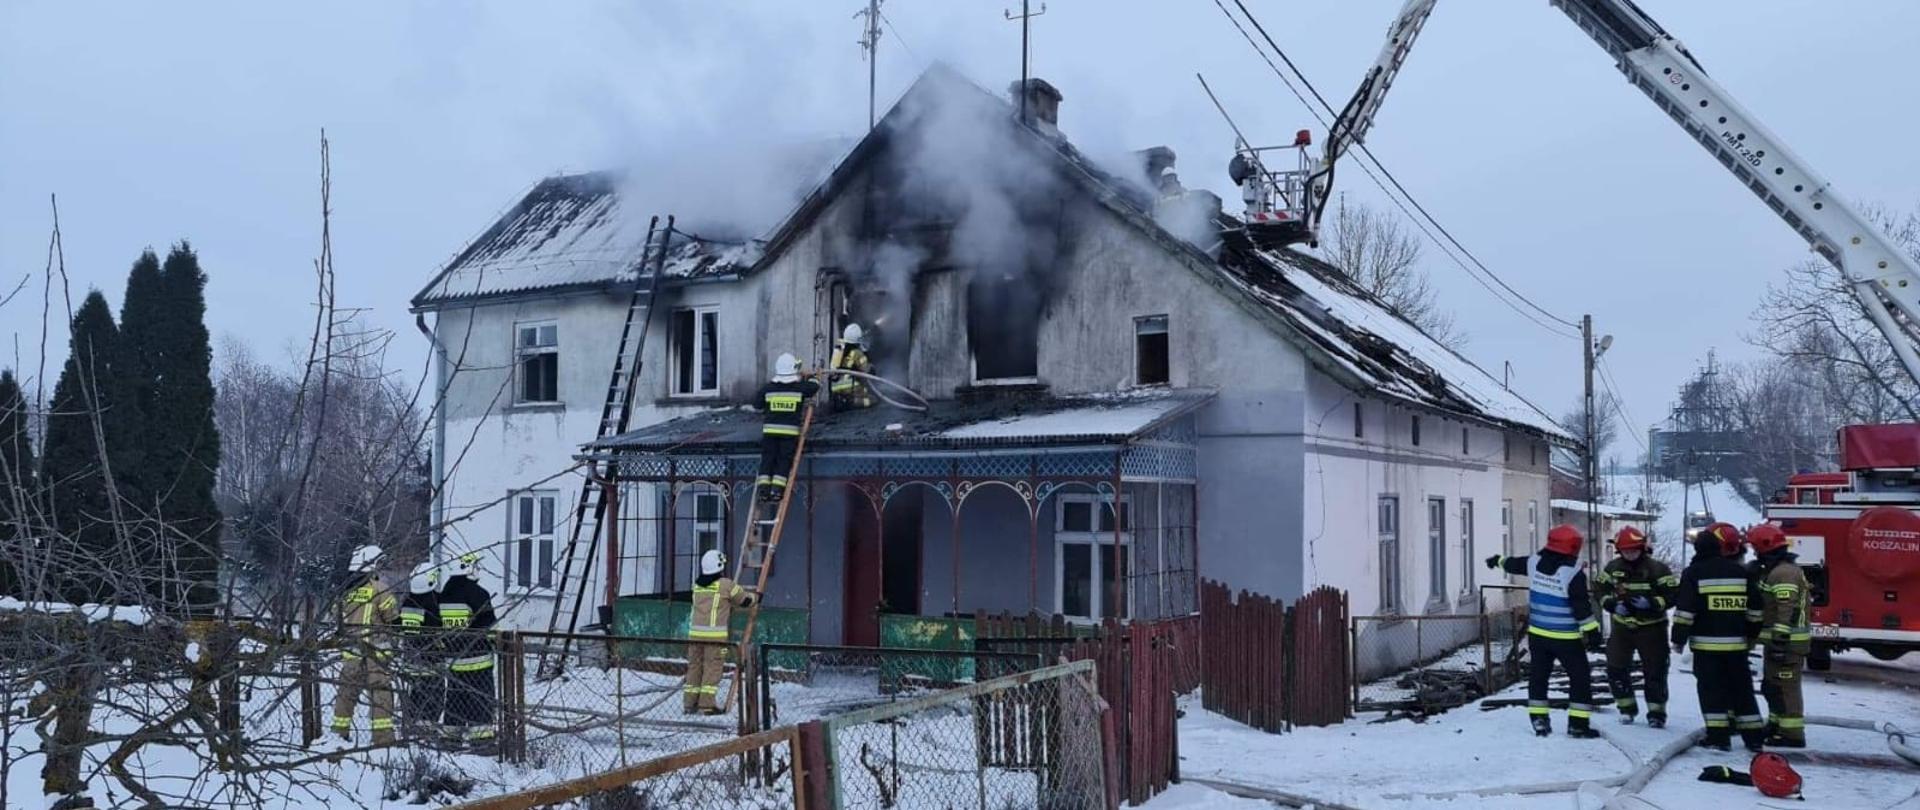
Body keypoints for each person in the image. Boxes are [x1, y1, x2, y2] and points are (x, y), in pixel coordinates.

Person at [1486, 524, 1603, 738]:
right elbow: (1581, 607)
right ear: (1573, 548)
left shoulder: (1534, 563)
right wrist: (1593, 633)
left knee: (1539, 677)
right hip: (1566, 638)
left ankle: (1539, 720)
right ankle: (1577, 724)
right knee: (1580, 678)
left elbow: (1513, 564)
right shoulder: (1573, 573)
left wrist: (1497, 560)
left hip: (1538, 636)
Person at [1672, 522, 1767, 752]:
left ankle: (1718, 736)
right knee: (1742, 690)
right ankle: (1754, 737)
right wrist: (1751, 632)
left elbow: (1685, 611)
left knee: (1711, 690)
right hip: (1736, 646)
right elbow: (1756, 609)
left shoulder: (1694, 573)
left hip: (1706, 647)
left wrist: (1678, 638)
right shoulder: (1741, 573)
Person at [1595, 526, 1678, 727]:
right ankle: (1626, 708)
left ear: (1642, 548)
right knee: (1616, 667)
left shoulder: (1658, 569)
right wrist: (1612, 605)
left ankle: (1656, 714)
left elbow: (1673, 595)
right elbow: (1599, 589)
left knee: (1655, 670)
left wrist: (1652, 603)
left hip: (1652, 628)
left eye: (1633, 550)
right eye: (1626, 551)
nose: (1630, 554)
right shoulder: (1612, 568)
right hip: (1622, 628)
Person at [1747, 523, 1810, 748]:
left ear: (1765, 547)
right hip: (1778, 642)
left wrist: (1780, 641)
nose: (1755, 553)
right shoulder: (1778, 571)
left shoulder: (1784, 573)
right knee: (1772, 686)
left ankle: (1792, 734)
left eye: (1756, 549)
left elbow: (1788, 608)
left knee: (1785, 688)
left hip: (1787, 644)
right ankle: (1776, 724)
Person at [330, 544, 399, 746]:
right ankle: (382, 737)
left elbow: (336, 614)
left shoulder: (344, 590)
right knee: (381, 694)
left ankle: (339, 732)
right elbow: (393, 617)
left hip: (351, 652)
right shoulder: (378, 589)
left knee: (346, 693)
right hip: (376, 652)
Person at [438, 549, 498, 750]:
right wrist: (498, 644)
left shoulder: (444, 594)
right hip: (478, 660)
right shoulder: (479, 594)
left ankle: (450, 739)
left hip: (453, 661)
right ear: (468, 568)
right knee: (480, 700)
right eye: (476, 565)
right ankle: (482, 741)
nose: (478, 569)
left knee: (454, 700)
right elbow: (490, 627)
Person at [685, 549, 757, 715]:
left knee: (694, 667)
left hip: (694, 635)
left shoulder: (697, 585)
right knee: (712, 669)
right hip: (714, 637)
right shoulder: (725, 585)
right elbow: (744, 600)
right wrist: (756, 597)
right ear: (719, 566)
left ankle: (689, 703)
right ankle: (706, 705)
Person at [755, 352, 819, 503]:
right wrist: (812, 376)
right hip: (789, 433)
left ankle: (763, 490)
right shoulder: (799, 388)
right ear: (793, 370)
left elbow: (757, 405)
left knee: (768, 459)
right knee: (784, 460)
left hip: (770, 432)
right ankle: (777, 490)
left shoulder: (768, 389)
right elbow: (814, 387)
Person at [397, 560, 445, 743]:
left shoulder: (408, 601)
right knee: (434, 696)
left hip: (410, 659)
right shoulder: (434, 603)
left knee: (414, 695)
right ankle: (427, 729)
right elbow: (439, 631)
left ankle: (413, 726)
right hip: (432, 660)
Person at [829, 323, 874, 409]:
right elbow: (868, 371)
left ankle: (843, 402)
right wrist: (867, 354)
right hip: (851, 390)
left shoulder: (838, 350)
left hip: (835, 391)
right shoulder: (857, 353)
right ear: (858, 339)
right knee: (873, 400)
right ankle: (851, 403)